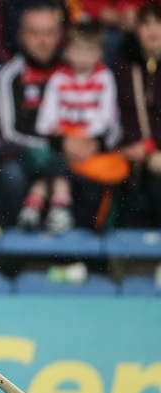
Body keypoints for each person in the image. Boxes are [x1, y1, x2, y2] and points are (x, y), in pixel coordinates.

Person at [22, 21, 120, 233]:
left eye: (90, 50)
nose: (83, 56)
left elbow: (107, 118)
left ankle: (43, 203)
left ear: (100, 53)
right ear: (68, 50)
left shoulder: (105, 78)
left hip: (89, 145)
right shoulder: (58, 79)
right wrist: (65, 139)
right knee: (50, 161)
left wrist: (85, 140)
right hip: (63, 141)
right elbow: (46, 119)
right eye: (78, 50)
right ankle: (49, 208)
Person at [0, 1, 66, 227]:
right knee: (11, 174)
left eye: (49, 33)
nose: (43, 41)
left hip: (68, 154)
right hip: (24, 155)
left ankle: (85, 252)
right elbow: (9, 131)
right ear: (22, 36)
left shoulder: (71, 71)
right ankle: (13, 249)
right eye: (35, 33)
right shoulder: (8, 73)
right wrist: (59, 146)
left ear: (59, 36)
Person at [113, 1, 161, 227]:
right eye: (146, 24)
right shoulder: (121, 68)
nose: (152, 30)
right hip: (128, 151)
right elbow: (111, 113)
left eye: (158, 23)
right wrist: (126, 146)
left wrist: (151, 145)